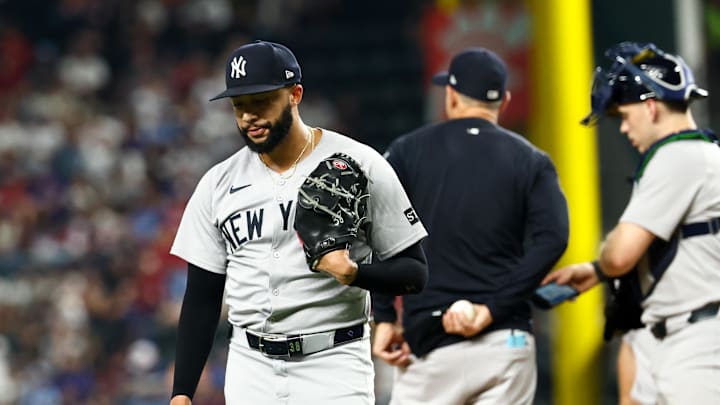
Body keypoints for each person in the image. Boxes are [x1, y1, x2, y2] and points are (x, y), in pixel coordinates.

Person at [168, 40, 429, 405]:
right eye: (239, 107)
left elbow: (414, 273)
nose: (248, 118)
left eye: (260, 102)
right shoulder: (217, 183)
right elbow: (201, 296)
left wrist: (354, 274)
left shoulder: (359, 163)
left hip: (334, 363)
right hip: (250, 367)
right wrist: (182, 392)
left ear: (295, 94)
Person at [371, 47, 570, 405]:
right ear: (504, 101)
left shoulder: (408, 150)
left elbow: (378, 226)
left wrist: (385, 316)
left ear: (451, 95)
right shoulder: (533, 160)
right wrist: (492, 308)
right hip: (505, 343)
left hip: (430, 348)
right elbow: (554, 238)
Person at [543, 41, 720, 404]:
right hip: (676, 334)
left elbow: (621, 253)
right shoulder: (698, 154)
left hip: (698, 342)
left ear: (651, 106)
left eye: (624, 115)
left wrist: (607, 261)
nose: (623, 128)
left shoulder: (678, 155)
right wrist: (597, 270)